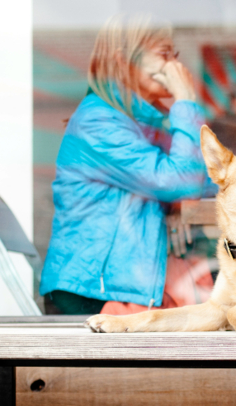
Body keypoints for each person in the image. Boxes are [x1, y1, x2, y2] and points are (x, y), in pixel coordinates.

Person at [39, 15, 216, 315]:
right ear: (123, 62)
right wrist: (185, 101)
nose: (175, 67)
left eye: (175, 56)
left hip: (123, 287)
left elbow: (201, 182)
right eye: (163, 55)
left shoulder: (142, 123)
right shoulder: (100, 121)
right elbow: (179, 182)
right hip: (90, 294)